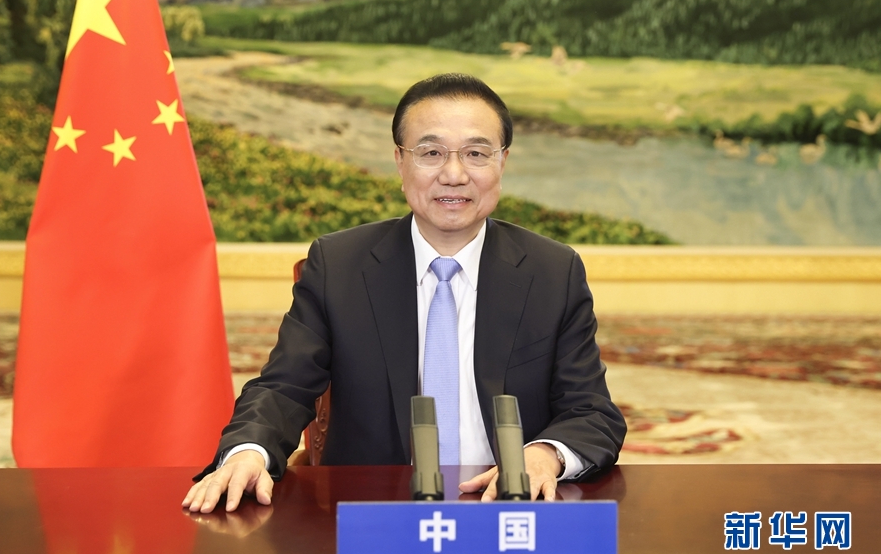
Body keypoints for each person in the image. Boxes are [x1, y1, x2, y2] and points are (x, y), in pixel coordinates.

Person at [183, 73, 626, 513]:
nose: (454, 175)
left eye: (476, 153)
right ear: (399, 161)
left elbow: (592, 412)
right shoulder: (339, 266)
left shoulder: (552, 271)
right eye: (431, 153)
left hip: (508, 512)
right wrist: (248, 453)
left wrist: (543, 455)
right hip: (371, 515)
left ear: (502, 162)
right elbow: (283, 387)